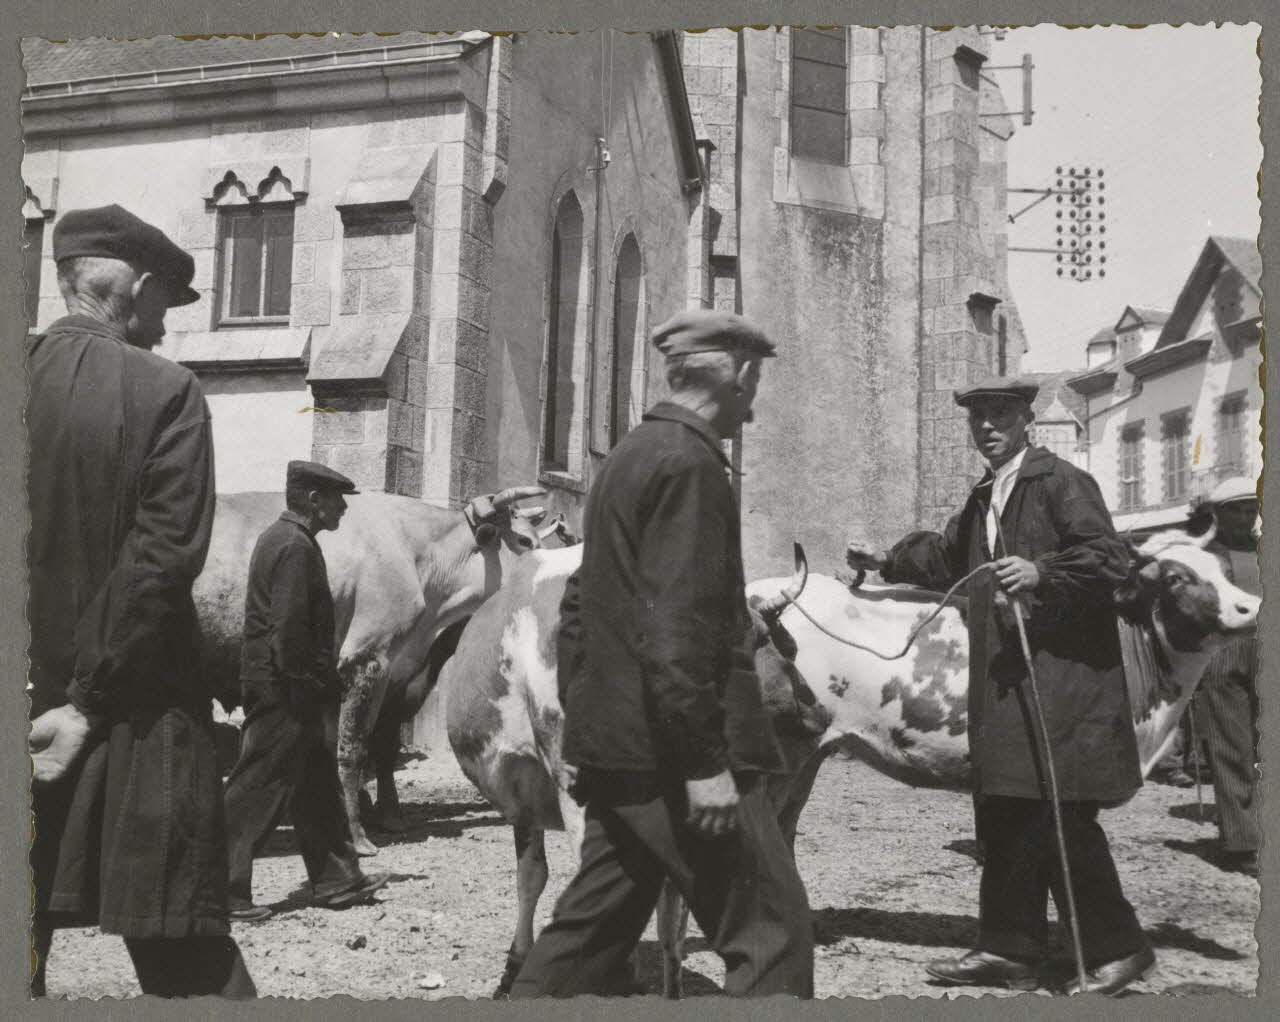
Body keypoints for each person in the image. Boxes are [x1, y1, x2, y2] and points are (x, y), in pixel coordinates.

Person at [509, 310, 814, 999]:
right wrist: (704, 765)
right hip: (674, 759)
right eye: (755, 381)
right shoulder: (690, 465)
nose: (754, 404)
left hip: (622, 753)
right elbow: (677, 633)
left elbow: (580, 611)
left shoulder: (629, 456)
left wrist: (587, 734)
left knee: (589, 936)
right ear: (738, 373)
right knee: (773, 936)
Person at [847, 375, 1153, 997]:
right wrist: (885, 561)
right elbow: (947, 557)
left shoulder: (1060, 482)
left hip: (1064, 684)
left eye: (1001, 414)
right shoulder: (989, 493)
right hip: (1010, 683)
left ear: (1026, 420)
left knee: (1063, 816)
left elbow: (1109, 557)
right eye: (978, 415)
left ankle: (1121, 950)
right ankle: (1008, 950)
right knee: (1007, 810)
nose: (987, 425)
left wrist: (1042, 571)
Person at [27, 204, 256, 997]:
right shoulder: (167, 391)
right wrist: (85, 703)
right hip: (135, 720)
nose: (162, 327)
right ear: (136, 286)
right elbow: (158, 565)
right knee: (184, 950)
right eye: (164, 304)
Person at [222, 461, 389, 921]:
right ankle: (217, 890)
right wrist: (307, 687)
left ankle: (337, 880)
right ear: (314, 501)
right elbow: (289, 629)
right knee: (257, 787)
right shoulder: (293, 546)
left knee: (317, 785)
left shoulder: (287, 540)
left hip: (290, 685)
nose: (343, 509)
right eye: (337, 500)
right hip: (285, 688)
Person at [1186, 476, 1260, 878]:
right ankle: (1242, 842)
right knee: (1232, 748)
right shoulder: (1203, 556)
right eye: (1238, 512)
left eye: (1252, 510)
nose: (1247, 518)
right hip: (1225, 653)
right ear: (1219, 515)